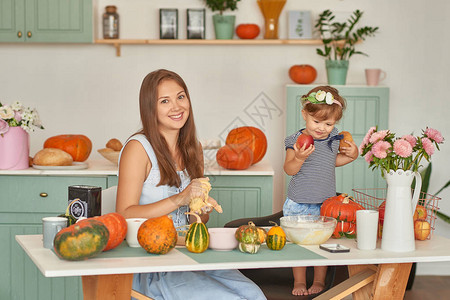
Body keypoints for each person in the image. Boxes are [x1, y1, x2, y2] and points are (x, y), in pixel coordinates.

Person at [116, 69, 267, 300]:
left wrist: (201, 210)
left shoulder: (192, 147)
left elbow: (195, 220)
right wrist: (179, 198)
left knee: (255, 295)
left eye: (181, 96)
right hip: (154, 264)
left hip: (192, 253)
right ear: (150, 108)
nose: (176, 107)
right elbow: (125, 214)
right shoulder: (138, 149)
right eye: (164, 101)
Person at [283, 86, 358, 296]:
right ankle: (299, 282)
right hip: (298, 203)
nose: (322, 128)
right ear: (304, 114)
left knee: (321, 245)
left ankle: (319, 280)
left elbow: (332, 162)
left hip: (325, 205)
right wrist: (299, 157)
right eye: (316, 122)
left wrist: (354, 155)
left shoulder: (334, 138)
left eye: (329, 124)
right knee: (297, 246)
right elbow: (289, 169)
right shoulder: (295, 141)